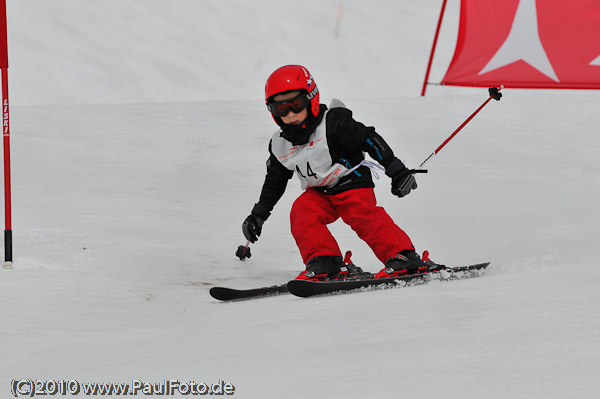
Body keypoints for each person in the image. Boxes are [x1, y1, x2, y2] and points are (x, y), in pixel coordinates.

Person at [242, 64, 430, 281]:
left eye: (296, 104)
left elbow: (368, 138)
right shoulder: (280, 144)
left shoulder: (333, 122)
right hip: (320, 193)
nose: (291, 114)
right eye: (281, 109)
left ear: (311, 98)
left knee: (361, 214)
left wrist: (397, 170)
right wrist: (258, 215)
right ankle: (326, 261)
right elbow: (275, 181)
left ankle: (403, 256)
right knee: (302, 211)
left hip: (351, 183)